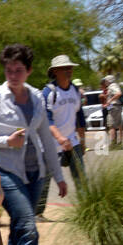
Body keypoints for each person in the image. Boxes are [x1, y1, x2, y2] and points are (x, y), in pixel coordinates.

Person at [0, 44, 64, 245]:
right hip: (7, 172)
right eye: (9, 70)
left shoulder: (36, 97)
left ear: (29, 71)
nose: (13, 75)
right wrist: (5, 141)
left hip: (36, 172)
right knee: (28, 226)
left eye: (18, 70)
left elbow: (45, 137)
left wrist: (59, 176)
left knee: (20, 228)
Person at [35, 54, 85, 220]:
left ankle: (87, 208)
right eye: (65, 68)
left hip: (73, 142)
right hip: (53, 144)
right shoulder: (49, 92)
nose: (69, 71)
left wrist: (82, 140)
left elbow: (79, 116)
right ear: (55, 71)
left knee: (81, 176)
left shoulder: (75, 90)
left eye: (70, 68)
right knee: (46, 178)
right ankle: (37, 213)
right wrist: (60, 138)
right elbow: (47, 120)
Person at [103, 74, 123, 147]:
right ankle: (120, 142)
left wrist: (109, 101)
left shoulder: (112, 86)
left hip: (114, 107)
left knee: (111, 125)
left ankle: (113, 144)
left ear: (108, 81)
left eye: (105, 80)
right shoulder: (115, 85)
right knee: (119, 124)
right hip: (116, 106)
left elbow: (118, 93)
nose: (105, 82)